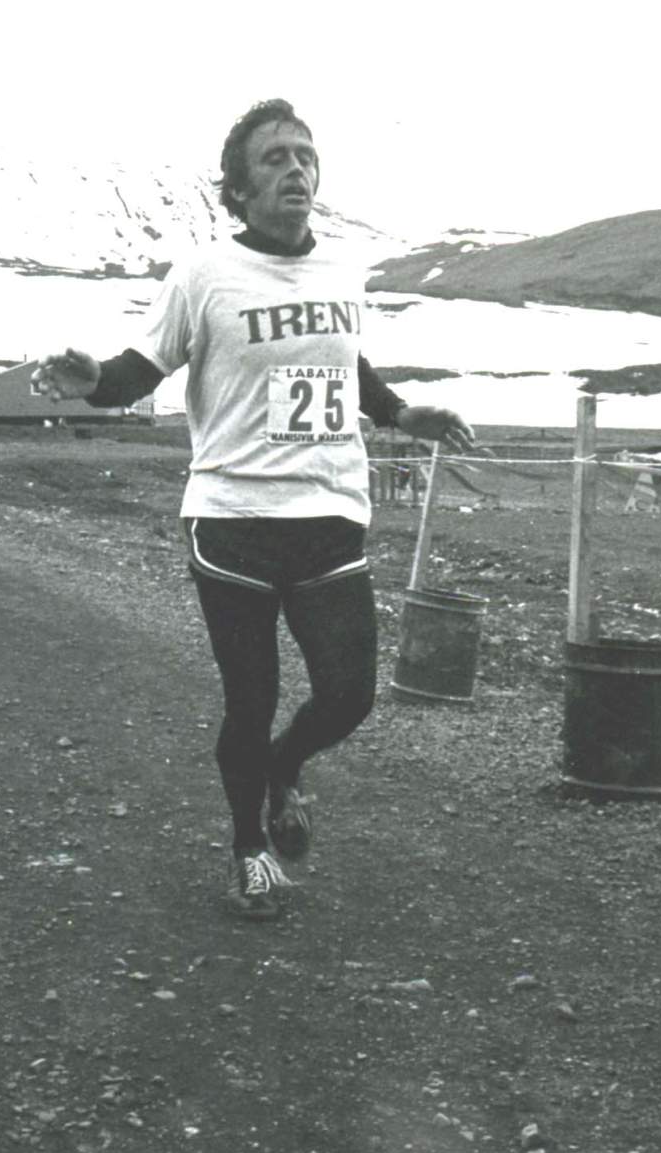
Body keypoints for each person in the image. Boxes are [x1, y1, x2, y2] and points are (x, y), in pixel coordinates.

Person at [34, 100, 475, 920]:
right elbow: (140, 369)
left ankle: (282, 767)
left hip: (330, 514)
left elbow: (349, 369)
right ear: (236, 190)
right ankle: (250, 849)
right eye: (273, 159)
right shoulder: (203, 276)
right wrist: (90, 379)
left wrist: (402, 414)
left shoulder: (342, 276)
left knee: (349, 694)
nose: (295, 169)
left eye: (305, 156)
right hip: (232, 517)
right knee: (252, 694)